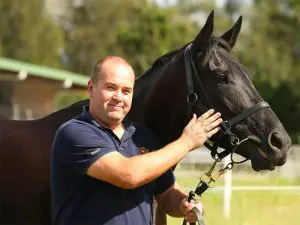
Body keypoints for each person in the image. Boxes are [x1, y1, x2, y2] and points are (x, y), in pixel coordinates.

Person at [50, 56, 223, 225]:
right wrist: (186, 142)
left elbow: (166, 194)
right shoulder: (74, 132)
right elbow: (128, 175)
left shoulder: (144, 137)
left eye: (126, 91)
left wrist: (186, 205)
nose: (118, 97)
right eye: (111, 87)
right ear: (91, 88)